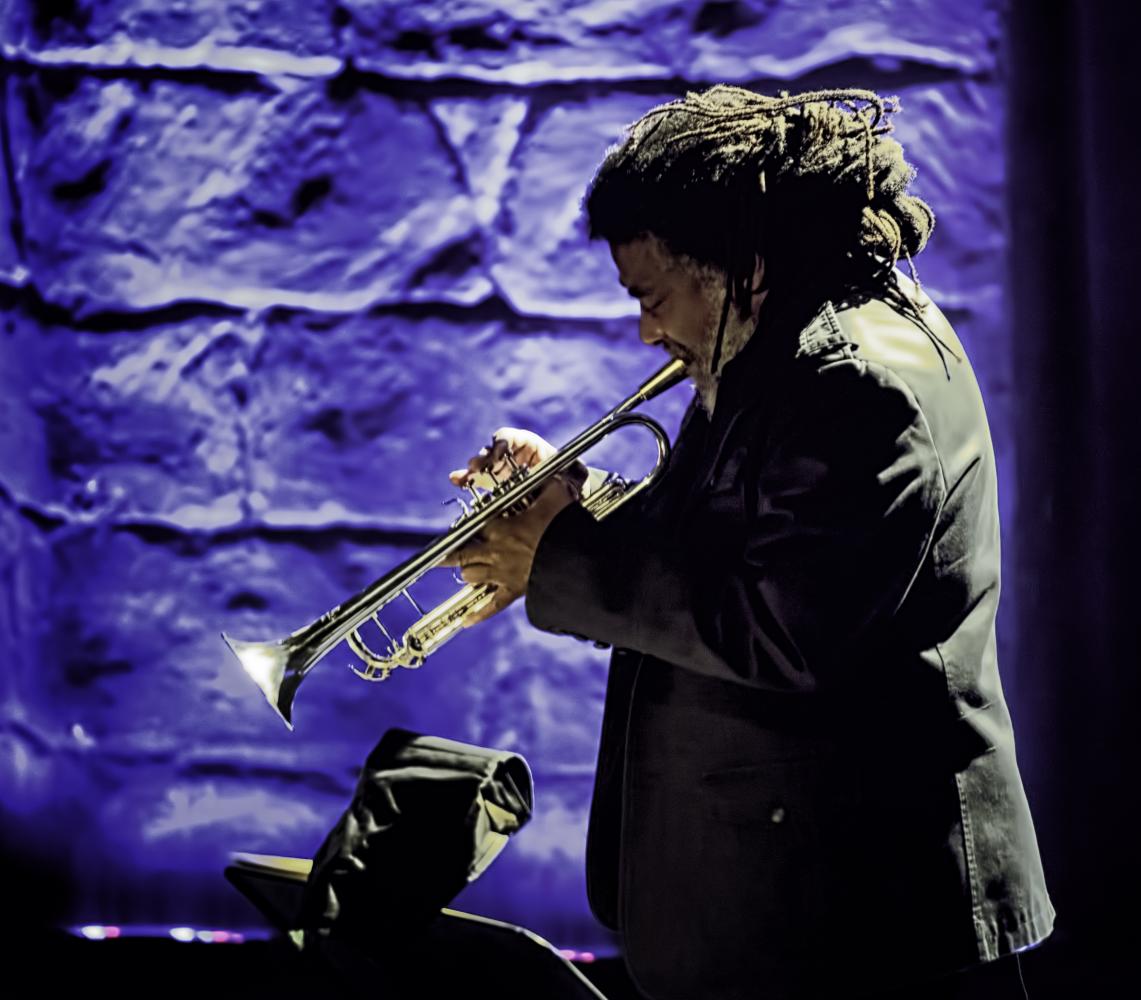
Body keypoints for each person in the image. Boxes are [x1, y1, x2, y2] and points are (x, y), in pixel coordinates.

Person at [442, 86, 1054, 999]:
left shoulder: (853, 383)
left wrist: (559, 557)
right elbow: (731, 543)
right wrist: (571, 499)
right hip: (800, 906)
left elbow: (786, 630)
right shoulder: (779, 347)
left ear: (735, 262)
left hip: (857, 919)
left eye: (650, 296)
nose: (647, 330)